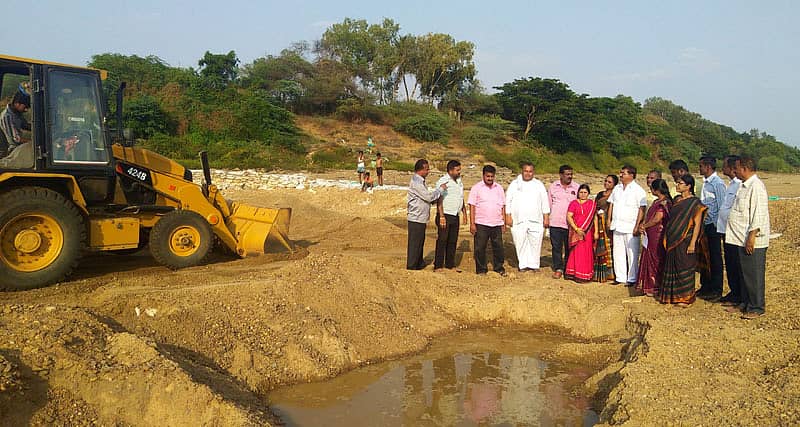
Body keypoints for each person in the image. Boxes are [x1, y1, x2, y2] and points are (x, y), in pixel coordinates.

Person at [724, 157, 770, 319]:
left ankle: (756, 307)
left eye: (736, 168)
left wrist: (751, 237)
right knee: (743, 274)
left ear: (744, 168)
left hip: (752, 240)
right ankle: (744, 303)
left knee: (753, 275)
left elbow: (758, 214)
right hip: (739, 238)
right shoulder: (743, 186)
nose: (734, 171)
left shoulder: (756, 187)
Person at [659, 174, 707, 306]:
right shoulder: (677, 201)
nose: (677, 185)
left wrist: (693, 243)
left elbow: (697, 224)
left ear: (688, 186)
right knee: (672, 266)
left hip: (686, 239)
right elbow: (674, 220)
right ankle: (672, 296)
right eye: (677, 183)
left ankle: (685, 297)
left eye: (680, 183)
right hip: (673, 238)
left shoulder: (695, 203)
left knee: (684, 265)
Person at [505, 161, 550, 272]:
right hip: (518, 219)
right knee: (520, 241)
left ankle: (534, 264)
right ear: (522, 171)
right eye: (526, 171)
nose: (528, 173)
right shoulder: (515, 184)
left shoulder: (538, 185)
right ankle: (523, 264)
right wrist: (508, 215)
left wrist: (546, 216)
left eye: (530, 171)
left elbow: (544, 201)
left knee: (535, 242)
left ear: (533, 172)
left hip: (536, 218)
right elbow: (508, 200)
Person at [608, 165, 647, 286]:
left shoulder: (638, 190)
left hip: (630, 226)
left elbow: (642, 208)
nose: (621, 175)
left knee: (632, 253)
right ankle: (620, 277)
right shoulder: (617, 188)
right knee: (617, 252)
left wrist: (637, 225)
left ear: (631, 175)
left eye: (623, 173)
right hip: (617, 224)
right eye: (620, 173)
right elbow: (611, 204)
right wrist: (609, 219)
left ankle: (632, 278)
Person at [696, 156, 728, 301]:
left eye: (701, 166)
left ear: (708, 167)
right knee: (705, 257)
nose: (699, 168)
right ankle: (706, 286)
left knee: (715, 258)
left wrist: (717, 226)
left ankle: (716, 289)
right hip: (705, 225)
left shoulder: (717, 184)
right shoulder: (706, 184)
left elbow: (722, 205)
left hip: (713, 226)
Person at [406, 159, 446, 270]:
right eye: (427, 169)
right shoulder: (417, 182)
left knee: (419, 242)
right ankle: (412, 266)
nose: (428, 171)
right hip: (416, 217)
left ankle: (418, 263)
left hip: (421, 217)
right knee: (415, 243)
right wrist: (440, 191)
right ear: (421, 170)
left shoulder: (420, 181)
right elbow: (428, 197)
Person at [635, 179, 672, 297]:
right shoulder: (658, 201)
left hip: (658, 235)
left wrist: (644, 225)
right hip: (650, 234)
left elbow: (657, 219)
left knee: (656, 258)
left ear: (656, 190)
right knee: (649, 257)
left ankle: (655, 286)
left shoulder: (664, 202)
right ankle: (648, 285)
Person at [468, 165, 507, 276]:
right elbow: (472, 206)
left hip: (496, 223)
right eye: (488, 176)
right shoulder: (476, 188)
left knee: (498, 247)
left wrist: (503, 222)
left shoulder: (499, 188)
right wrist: (472, 224)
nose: (490, 178)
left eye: (492, 176)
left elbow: (503, 205)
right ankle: (481, 269)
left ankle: (499, 268)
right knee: (480, 247)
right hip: (481, 223)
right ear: (483, 175)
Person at [718, 155, 743, 306]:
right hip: (725, 230)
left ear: (732, 168)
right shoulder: (731, 184)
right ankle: (734, 292)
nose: (723, 169)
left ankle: (738, 295)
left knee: (736, 263)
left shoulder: (740, 185)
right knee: (730, 263)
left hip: (734, 231)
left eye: (725, 166)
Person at [434, 160, 467, 272]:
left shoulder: (459, 181)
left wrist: (464, 212)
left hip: (455, 214)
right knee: (442, 240)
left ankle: (450, 264)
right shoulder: (443, 181)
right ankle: (438, 265)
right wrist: (441, 216)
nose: (459, 172)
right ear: (451, 170)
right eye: (457, 170)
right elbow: (439, 199)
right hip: (445, 214)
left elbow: (460, 197)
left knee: (452, 240)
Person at [548, 165, 579, 279]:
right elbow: (549, 204)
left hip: (570, 224)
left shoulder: (576, 187)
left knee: (569, 247)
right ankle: (558, 268)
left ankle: (568, 269)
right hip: (555, 222)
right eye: (567, 174)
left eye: (571, 174)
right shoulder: (553, 187)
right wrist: (547, 218)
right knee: (556, 247)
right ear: (561, 175)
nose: (569, 176)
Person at [565, 184, 596, 282]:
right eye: (581, 192)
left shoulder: (592, 204)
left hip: (588, 232)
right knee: (576, 252)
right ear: (578, 193)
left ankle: (585, 274)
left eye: (585, 192)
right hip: (576, 231)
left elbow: (594, 218)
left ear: (588, 194)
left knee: (586, 252)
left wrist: (596, 233)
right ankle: (573, 273)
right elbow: (569, 216)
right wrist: (576, 229)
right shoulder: (573, 203)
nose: (583, 194)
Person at [593, 175, 618, 282]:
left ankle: (612, 273)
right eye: (605, 181)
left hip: (609, 224)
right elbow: (594, 208)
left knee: (611, 247)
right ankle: (600, 274)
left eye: (609, 182)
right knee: (600, 246)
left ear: (614, 184)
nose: (606, 183)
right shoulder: (600, 194)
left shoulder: (616, 195)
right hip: (599, 223)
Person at [0, 91, 32, 158]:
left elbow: (25, 125)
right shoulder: (7, 117)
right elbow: (16, 139)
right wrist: (33, 142)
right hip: (13, 151)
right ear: (17, 104)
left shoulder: (17, 113)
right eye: (25, 107)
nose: (26, 110)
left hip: (19, 146)